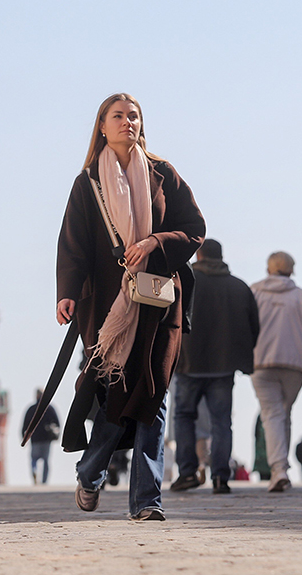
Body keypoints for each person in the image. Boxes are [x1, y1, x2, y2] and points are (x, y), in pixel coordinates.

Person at [56, 93, 205, 522]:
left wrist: (156, 243)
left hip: (159, 304)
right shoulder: (88, 183)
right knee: (116, 398)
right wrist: (67, 291)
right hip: (106, 308)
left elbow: (194, 229)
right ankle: (90, 471)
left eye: (133, 116)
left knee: (154, 395)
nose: (127, 122)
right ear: (102, 126)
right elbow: (73, 244)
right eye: (118, 116)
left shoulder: (163, 175)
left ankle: (146, 501)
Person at [170, 238, 259, 495]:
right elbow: (254, 328)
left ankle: (187, 472)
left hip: (188, 363)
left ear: (198, 257)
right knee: (221, 422)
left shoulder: (184, 283)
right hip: (223, 366)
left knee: (184, 417)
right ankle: (220, 476)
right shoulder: (239, 287)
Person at [250, 251, 302, 492]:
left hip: (261, 362)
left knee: (272, 414)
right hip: (295, 365)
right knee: (283, 412)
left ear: (268, 268)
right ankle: (280, 467)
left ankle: (278, 469)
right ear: (291, 270)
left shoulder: (254, 293)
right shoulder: (300, 297)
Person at [22, 389, 61, 484]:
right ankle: (44, 481)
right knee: (46, 460)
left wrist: (23, 438)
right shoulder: (50, 408)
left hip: (35, 439)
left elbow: (25, 425)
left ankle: (35, 472)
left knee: (34, 459)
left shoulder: (31, 409)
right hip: (46, 439)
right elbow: (57, 423)